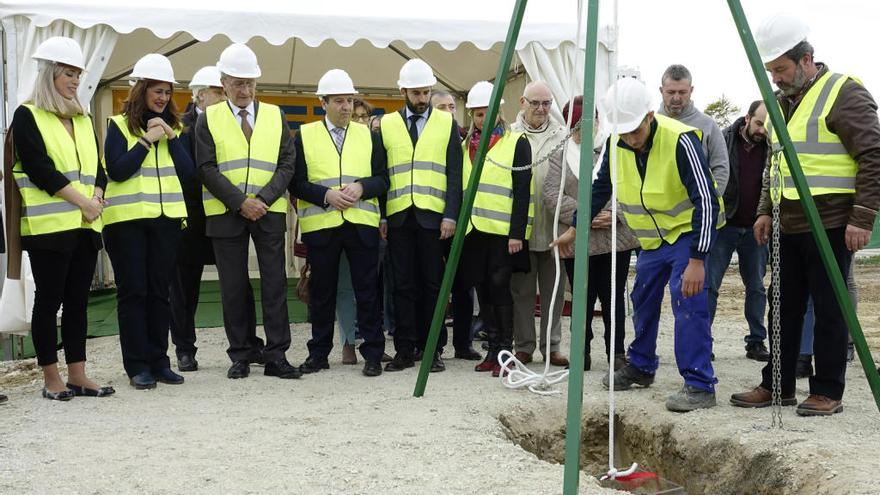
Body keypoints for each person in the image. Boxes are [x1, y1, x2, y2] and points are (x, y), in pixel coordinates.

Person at [731, 14, 880, 416]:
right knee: (782, 307)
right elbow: (774, 165)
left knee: (830, 308)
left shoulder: (843, 93)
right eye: (771, 71)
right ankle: (776, 384)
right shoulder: (780, 104)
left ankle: (827, 390)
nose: (776, 78)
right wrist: (765, 211)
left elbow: (872, 156)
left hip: (830, 222)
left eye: (781, 69)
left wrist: (863, 216)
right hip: (788, 223)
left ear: (806, 59)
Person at [552, 78, 721, 412]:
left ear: (648, 116)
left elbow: (706, 200)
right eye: (623, 132)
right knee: (641, 298)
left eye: (634, 131)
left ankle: (700, 384)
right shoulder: (617, 145)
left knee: (686, 301)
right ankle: (641, 366)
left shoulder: (680, 141)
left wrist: (698, 260)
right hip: (652, 241)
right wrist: (575, 228)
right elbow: (599, 189)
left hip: (686, 235)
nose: (629, 138)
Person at [10, 37, 114, 400]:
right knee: (49, 301)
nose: (74, 80)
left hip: (85, 226)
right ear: (50, 74)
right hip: (50, 228)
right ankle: (50, 377)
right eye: (68, 73)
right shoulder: (27, 115)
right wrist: (83, 202)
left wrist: (97, 197)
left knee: (79, 303)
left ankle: (78, 374)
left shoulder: (83, 117)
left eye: (77, 74)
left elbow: (99, 168)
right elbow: (39, 168)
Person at [196, 43, 300, 380]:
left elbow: (287, 163)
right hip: (227, 213)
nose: (244, 90)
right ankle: (240, 353)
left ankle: (276, 355)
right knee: (233, 286)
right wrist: (240, 202)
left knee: (274, 284)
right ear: (223, 83)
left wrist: (263, 200)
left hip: (267, 211)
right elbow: (206, 167)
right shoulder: (207, 118)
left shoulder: (274, 114)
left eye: (250, 83)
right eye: (237, 83)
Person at [103, 53, 193, 389]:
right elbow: (118, 170)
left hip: (166, 221)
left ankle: (159, 362)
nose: (162, 98)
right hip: (126, 223)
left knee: (160, 293)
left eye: (167, 92)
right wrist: (146, 141)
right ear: (140, 90)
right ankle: (136, 365)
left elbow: (188, 174)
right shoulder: (117, 125)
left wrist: (170, 137)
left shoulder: (176, 129)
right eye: (156, 91)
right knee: (134, 293)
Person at [292, 69, 388, 377]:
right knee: (322, 293)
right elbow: (296, 183)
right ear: (323, 103)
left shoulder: (370, 136)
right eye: (339, 101)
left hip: (361, 224)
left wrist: (361, 187)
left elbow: (383, 179)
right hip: (322, 226)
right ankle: (319, 353)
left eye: (349, 100)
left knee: (367, 291)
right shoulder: (304, 136)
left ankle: (372, 352)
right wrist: (325, 196)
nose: (346, 106)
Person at [379, 59, 463, 372]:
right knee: (402, 286)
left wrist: (451, 215)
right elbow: (382, 172)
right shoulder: (387, 124)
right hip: (399, 216)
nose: (421, 98)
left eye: (425, 92)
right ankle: (404, 349)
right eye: (416, 92)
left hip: (433, 218)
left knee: (433, 285)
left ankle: (433, 349)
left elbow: (454, 174)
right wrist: (383, 217)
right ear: (402, 90)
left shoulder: (446, 122)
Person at [545, 96, 639, 372]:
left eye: (590, 121)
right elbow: (552, 193)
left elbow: (631, 184)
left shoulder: (617, 147)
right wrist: (584, 215)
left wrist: (613, 213)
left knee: (613, 301)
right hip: (579, 240)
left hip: (614, 239)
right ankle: (581, 352)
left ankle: (617, 354)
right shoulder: (560, 154)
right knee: (582, 301)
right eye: (577, 124)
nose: (585, 129)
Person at [457, 81, 532, 376]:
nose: (482, 119)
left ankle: (505, 351)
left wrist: (517, 234)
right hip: (474, 230)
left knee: (500, 290)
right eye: (476, 114)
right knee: (483, 291)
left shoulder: (517, 142)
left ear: (498, 112)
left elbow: (522, 191)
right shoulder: (465, 145)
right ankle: (491, 349)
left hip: (502, 232)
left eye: (487, 113)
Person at [169, 65, 226, 372]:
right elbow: (185, 174)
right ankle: (184, 348)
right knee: (184, 287)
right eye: (219, 91)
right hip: (190, 219)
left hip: (226, 215)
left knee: (234, 284)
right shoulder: (179, 127)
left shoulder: (230, 123)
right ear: (201, 95)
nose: (224, 96)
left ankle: (243, 346)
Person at [510, 81, 569, 367]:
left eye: (547, 103)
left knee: (554, 291)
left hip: (554, 227)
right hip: (520, 229)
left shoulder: (562, 136)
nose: (542, 109)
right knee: (521, 290)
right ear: (523, 102)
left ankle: (551, 346)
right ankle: (523, 345)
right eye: (535, 103)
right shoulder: (510, 135)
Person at [707, 101, 771, 362]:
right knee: (709, 286)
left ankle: (756, 341)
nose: (762, 131)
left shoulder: (772, 147)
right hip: (725, 224)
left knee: (756, 286)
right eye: (759, 123)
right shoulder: (722, 139)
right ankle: (703, 340)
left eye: (767, 126)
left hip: (756, 227)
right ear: (747, 118)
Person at [431, 88, 482, 360]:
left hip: (464, 225)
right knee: (435, 286)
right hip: (432, 221)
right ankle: (435, 345)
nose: (449, 112)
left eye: (452, 107)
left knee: (464, 286)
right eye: (441, 108)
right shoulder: (427, 141)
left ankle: (463, 343)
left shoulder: (466, 141)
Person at [657, 65, 730, 195]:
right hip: (656, 211)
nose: (677, 98)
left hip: (699, 211)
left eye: (682, 92)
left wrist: (710, 201)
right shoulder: (650, 125)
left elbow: (721, 167)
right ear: (661, 91)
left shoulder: (709, 126)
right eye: (671, 92)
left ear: (691, 90)